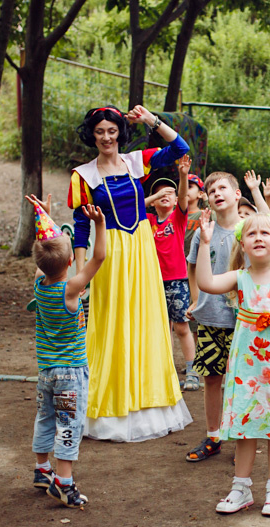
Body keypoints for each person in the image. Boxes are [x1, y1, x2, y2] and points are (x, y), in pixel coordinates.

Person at [67, 104, 192, 441]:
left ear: (120, 133)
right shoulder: (83, 175)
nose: (106, 137)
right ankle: (110, 408)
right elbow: (80, 229)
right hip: (109, 254)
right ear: (92, 136)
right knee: (111, 324)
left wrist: (152, 121)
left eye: (111, 130)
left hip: (142, 250)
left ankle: (147, 406)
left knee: (147, 322)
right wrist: (80, 277)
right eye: (99, 132)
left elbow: (181, 148)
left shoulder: (137, 162)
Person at [194, 211, 270, 516]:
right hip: (246, 371)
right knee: (246, 427)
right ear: (243, 244)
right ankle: (241, 488)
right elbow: (206, 282)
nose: (258, 238)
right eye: (251, 234)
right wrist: (204, 243)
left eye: (265, 233)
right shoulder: (240, 278)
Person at [27, 195, 106, 508]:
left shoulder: (39, 284)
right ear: (71, 260)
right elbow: (98, 259)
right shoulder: (70, 290)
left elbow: (44, 256)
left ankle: (41, 468)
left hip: (46, 371)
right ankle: (64, 483)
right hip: (70, 374)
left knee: (45, 418)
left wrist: (45, 218)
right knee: (69, 424)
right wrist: (99, 225)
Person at [184, 172, 243, 462]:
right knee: (211, 379)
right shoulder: (202, 231)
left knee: (242, 379)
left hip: (243, 320)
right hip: (208, 317)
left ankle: (243, 437)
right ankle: (214, 435)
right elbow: (193, 267)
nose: (216, 193)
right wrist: (196, 299)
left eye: (223, 188)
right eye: (211, 189)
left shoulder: (249, 231)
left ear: (236, 194)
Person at [143, 157, 196, 393]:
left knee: (182, 327)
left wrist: (183, 176)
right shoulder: (148, 221)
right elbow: (133, 209)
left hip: (177, 281)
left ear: (175, 200)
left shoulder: (178, 217)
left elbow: (184, 198)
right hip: (152, 282)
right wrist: (154, 196)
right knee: (160, 328)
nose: (164, 194)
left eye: (169, 192)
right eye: (158, 193)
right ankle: (163, 372)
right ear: (153, 202)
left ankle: (192, 370)